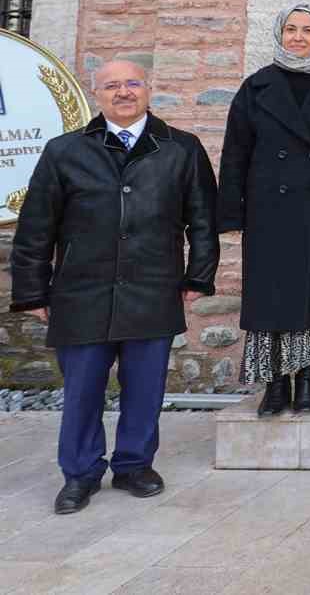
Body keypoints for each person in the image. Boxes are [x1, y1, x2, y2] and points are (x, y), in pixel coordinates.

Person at [9, 61, 218, 515]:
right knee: (82, 391)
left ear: (149, 89)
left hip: (153, 287)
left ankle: (134, 465)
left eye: (133, 83)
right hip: (81, 292)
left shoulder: (181, 148)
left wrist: (199, 275)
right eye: (112, 86)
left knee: (146, 389)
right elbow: (36, 228)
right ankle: (80, 473)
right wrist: (32, 291)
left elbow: (203, 222)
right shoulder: (64, 151)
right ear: (96, 95)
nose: (124, 92)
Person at [218, 2, 310, 418]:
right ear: (279, 34)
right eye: (291, 29)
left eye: (306, 30)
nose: (298, 37)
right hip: (268, 211)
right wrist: (231, 213)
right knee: (270, 298)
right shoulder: (255, 88)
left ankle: (307, 381)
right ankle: (274, 385)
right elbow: (235, 153)